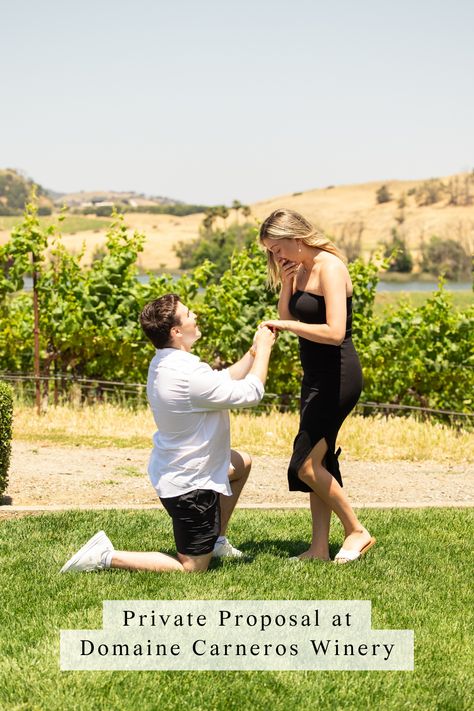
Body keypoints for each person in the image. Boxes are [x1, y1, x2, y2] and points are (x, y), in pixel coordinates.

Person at [60, 293, 275, 575]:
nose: (195, 316)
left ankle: (216, 540)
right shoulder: (188, 375)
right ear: (176, 331)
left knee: (241, 463)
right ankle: (105, 555)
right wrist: (266, 349)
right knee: (192, 567)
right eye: (188, 315)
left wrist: (253, 352)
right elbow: (252, 392)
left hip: (180, 468)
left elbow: (221, 379)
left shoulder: (168, 362)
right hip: (191, 487)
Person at [259, 209, 375, 564]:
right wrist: (288, 284)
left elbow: (335, 332)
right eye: (271, 253)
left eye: (278, 249)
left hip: (338, 376)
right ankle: (319, 549)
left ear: (297, 236)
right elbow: (290, 316)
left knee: (306, 465)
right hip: (314, 376)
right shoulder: (301, 269)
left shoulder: (331, 267)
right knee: (318, 461)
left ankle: (357, 531)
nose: (277, 258)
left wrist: (287, 326)